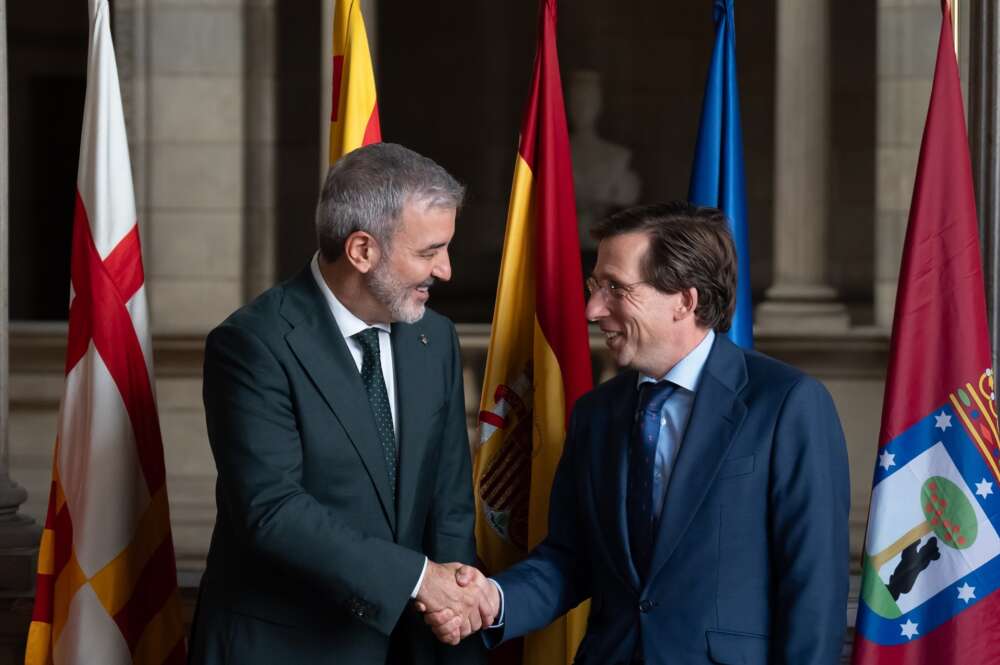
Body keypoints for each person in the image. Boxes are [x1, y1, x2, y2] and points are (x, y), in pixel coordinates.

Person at [424, 202, 850, 665]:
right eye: (594, 287)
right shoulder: (596, 414)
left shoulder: (786, 404)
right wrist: (492, 600)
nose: (592, 309)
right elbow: (571, 558)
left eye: (615, 289)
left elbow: (814, 587)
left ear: (684, 301)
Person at [188, 143, 491, 665]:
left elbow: (449, 502)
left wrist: (455, 609)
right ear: (361, 251)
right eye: (429, 251)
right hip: (285, 647)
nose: (445, 271)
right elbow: (272, 511)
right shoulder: (253, 344)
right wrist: (419, 581)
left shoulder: (434, 338)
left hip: (414, 645)